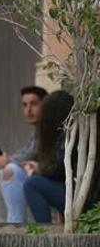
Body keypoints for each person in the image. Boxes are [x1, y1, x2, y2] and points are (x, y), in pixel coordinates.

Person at [23, 91, 100, 223]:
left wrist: (39, 168)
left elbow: (55, 171)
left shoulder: (69, 134)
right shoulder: (80, 130)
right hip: (87, 196)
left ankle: (45, 235)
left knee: (32, 184)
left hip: (87, 200)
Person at [0, 85, 47, 223]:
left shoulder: (47, 128)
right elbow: (26, 152)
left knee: (10, 171)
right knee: (6, 170)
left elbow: (32, 154)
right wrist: (7, 159)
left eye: (34, 104)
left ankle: (16, 225)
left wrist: (8, 161)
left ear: (45, 105)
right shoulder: (36, 130)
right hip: (38, 176)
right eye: (24, 105)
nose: (28, 110)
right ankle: (14, 223)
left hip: (49, 177)